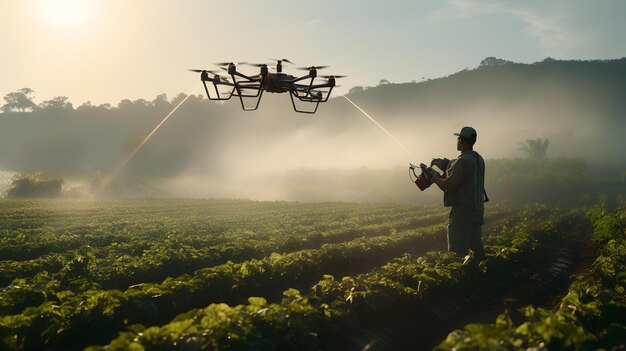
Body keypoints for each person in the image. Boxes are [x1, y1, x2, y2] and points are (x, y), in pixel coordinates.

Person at [430, 127, 487, 259]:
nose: (457, 142)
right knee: (475, 246)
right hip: (477, 210)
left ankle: (461, 276)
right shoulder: (478, 159)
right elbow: (462, 171)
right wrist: (446, 165)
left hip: (463, 212)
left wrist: (435, 178)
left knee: (457, 251)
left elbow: (450, 184)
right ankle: (483, 273)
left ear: (461, 141)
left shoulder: (462, 161)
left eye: (458, 139)